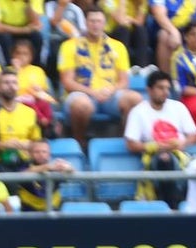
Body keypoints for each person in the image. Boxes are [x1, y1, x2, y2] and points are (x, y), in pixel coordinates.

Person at [57, 6, 141, 147]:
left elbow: (124, 81)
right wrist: (93, 92)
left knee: (135, 99)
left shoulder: (118, 46)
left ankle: (124, 142)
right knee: (82, 105)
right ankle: (80, 143)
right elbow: (67, 82)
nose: (95, 25)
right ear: (85, 22)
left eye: (99, 21)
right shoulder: (69, 46)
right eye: (92, 21)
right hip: (82, 94)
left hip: (110, 95)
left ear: (104, 23)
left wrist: (111, 90)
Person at [124, 68, 196, 206]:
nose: (165, 92)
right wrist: (154, 146)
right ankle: (172, 207)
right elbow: (130, 144)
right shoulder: (138, 111)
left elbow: (193, 135)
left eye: (167, 88)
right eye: (160, 88)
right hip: (154, 156)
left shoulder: (178, 107)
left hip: (181, 154)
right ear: (149, 90)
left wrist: (182, 143)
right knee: (165, 159)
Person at [150, 0, 196, 75]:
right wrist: (173, 31)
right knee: (164, 35)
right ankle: (166, 79)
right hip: (171, 29)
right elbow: (159, 14)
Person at [17, 138, 73, 211]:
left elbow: (71, 171)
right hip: (29, 211)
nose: (41, 154)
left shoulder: (55, 167)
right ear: (30, 154)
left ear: (49, 154)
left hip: (54, 209)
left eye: (44, 152)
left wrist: (68, 168)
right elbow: (21, 175)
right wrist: (47, 167)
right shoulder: (25, 166)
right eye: (37, 152)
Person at [0, 0, 43, 64]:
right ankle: (9, 68)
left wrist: (28, 4)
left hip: (22, 27)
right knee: (4, 37)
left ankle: (36, 67)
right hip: (4, 30)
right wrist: (24, 30)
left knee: (36, 36)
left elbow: (36, 24)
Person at [103, 0, 149, 68]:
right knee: (123, 30)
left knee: (141, 30)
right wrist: (123, 2)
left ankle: (142, 68)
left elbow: (139, 22)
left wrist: (131, 20)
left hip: (131, 33)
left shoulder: (142, 1)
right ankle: (123, 67)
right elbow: (121, 21)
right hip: (112, 33)